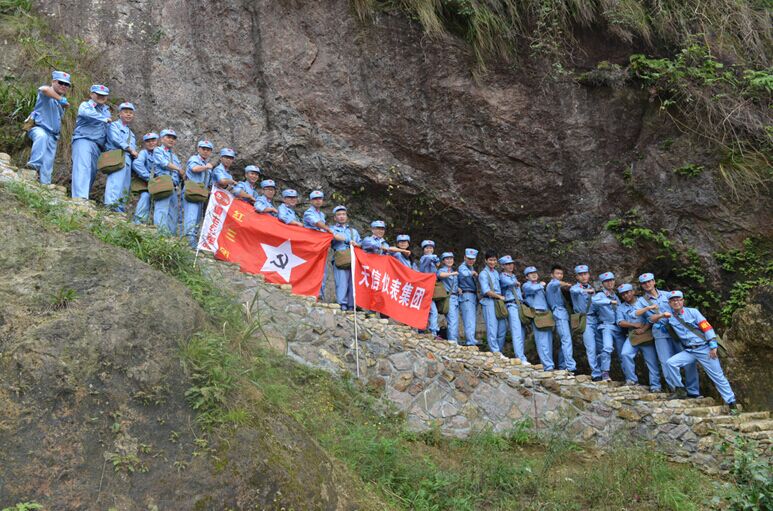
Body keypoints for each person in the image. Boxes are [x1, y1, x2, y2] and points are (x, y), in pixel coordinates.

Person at [650, 291, 737, 410]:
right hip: (689, 351)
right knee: (671, 363)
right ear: (669, 303)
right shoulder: (669, 316)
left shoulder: (693, 312)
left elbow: (706, 327)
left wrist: (713, 345)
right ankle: (680, 390)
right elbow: (651, 320)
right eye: (673, 300)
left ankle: (731, 403)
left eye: (678, 300)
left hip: (704, 349)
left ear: (682, 301)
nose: (676, 302)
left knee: (718, 376)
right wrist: (661, 315)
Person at [637, 273, 700, 397]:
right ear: (641, 285)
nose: (647, 284)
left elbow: (680, 308)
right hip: (660, 332)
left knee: (689, 360)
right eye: (644, 283)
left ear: (654, 281)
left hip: (677, 331)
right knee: (666, 362)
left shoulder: (667, 295)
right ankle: (676, 390)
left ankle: (693, 391)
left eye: (649, 281)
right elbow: (637, 314)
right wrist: (650, 311)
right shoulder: (641, 301)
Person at [26, 70, 70, 185]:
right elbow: (44, 89)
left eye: (66, 84)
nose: (63, 86)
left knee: (48, 164)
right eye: (60, 82)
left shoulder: (60, 102)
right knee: (41, 136)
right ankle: (33, 167)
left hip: (53, 136)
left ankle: (44, 185)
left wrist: (61, 101)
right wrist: (61, 99)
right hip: (39, 129)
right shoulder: (47, 95)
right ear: (53, 81)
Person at [616, 283, 662, 392]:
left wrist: (644, 328)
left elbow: (653, 317)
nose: (626, 295)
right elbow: (620, 322)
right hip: (633, 334)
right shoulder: (621, 307)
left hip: (647, 333)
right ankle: (631, 380)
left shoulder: (643, 301)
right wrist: (633, 325)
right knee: (625, 354)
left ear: (632, 291)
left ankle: (656, 386)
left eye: (627, 292)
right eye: (623, 294)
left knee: (651, 360)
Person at [71, 84, 111, 199]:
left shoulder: (106, 110)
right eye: (98, 94)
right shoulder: (86, 105)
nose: (101, 97)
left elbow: (107, 130)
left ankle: (83, 198)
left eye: (104, 95)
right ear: (91, 94)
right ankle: (79, 198)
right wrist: (104, 118)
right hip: (84, 140)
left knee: (92, 172)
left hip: (98, 146)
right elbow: (85, 113)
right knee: (83, 167)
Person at [570, 265, 603, 381]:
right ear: (577, 277)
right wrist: (585, 291)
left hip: (596, 319)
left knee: (601, 347)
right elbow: (573, 291)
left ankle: (603, 370)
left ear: (588, 275)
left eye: (585, 274)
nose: (583, 276)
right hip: (585, 319)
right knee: (590, 347)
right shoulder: (575, 288)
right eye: (581, 275)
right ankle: (596, 373)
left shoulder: (592, 288)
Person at [103, 102, 138, 212]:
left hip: (127, 159)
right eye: (126, 112)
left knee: (124, 185)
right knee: (115, 181)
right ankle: (110, 205)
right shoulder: (114, 125)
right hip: (117, 155)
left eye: (131, 113)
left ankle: (119, 208)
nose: (128, 114)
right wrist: (130, 149)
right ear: (120, 114)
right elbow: (115, 139)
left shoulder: (131, 133)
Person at [591, 272, 624, 381]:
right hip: (607, 326)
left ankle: (629, 378)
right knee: (607, 348)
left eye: (611, 280)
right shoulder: (600, 295)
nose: (610, 283)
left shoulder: (615, 295)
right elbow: (594, 300)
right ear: (602, 283)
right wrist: (609, 301)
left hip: (618, 327)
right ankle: (605, 372)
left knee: (623, 353)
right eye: (606, 281)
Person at [303, 190, 337, 299]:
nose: (318, 201)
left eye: (320, 199)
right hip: (311, 245)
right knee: (312, 268)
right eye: (315, 199)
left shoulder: (321, 214)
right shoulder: (308, 212)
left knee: (322, 269)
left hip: (321, 246)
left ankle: (319, 294)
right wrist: (328, 229)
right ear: (311, 201)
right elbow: (317, 223)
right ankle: (310, 293)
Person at [182, 140, 214, 247]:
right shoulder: (194, 159)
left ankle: (193, 241)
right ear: (198, 149)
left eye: (208, 150)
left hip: (201, 193)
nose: (205, 151)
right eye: (203, 149)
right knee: (191, 215)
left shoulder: (206, 164)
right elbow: (194, 168)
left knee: (197, 217)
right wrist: (206, 167)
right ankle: (189, 240)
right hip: (192, 191)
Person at [522, 266, 555, 370]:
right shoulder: (527, 285)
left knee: (548, 341)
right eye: (530, 273)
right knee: (542, 341)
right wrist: (541, 285)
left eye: (535, 273)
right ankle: (547, 366)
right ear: (526, 277)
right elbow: (532, 289)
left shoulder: (539, 286)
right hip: (537, 314)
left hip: (546, 314)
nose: (534, 274)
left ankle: (549, 365)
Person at [152, 129, 183, 235]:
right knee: (162, 208)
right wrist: (178, 169)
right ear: (161, 139)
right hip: (163, 182)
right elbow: (163, 163)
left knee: (173, 211)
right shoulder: (158, 150)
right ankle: (160, 233)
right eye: (168, 137)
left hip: (173, 185)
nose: (171, 140)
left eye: (173, 138)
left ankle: (170, 236)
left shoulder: (174, 156)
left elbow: (179, 172)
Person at [545, 265, 576, 373]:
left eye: (561, 274)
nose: (560, 275)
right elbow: (555, 283)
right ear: (552, 275)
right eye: (557, 273)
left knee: (565, 340)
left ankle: (563, 365)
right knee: (566, 339)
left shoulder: (557, 286)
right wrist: (566, 284)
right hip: (559, 313)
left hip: (564, 313)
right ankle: (570, 366)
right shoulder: (551, 285)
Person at [498, 256, 529, 363]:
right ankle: (520, 358)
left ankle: (521, 355)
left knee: (522, 332)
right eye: (507, 264)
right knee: (516, 332)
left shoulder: (513, 276)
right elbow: (509, 283)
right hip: (511, 304)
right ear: (503, 266)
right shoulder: (503, 276)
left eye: (511, 263)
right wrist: (515, 283)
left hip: (519, 304)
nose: (510, 266)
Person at [330, 205, 361, 311]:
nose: (342, 216)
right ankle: (342, 304)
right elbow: (332, 238)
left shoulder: (353, 231)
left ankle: (352, 305)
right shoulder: (332, 229)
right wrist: (348, 240)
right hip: (340, 257)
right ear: (335, 218)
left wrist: (357, 244)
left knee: (353, 283)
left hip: (353, 257)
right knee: (341, 282)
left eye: (343, 214)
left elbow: (360, 244)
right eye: (339, 215)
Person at [478, 251, 507, 358]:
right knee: (492, 328)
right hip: (489, 301)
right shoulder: (483, 274)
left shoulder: (496, 273)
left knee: (502, 329)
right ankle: (495, 352)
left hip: (499, 302)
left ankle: (499, 352)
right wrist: (499, 297)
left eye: (494, 260)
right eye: (490, 260)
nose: (492, 262)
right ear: (486, 260)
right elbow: (486, 291)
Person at [131, 132, 158, 224]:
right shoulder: (144, 153)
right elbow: (137, 164)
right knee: (145, 196)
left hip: (161, 184)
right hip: (148, 184)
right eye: (148, 141)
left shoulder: (161, 153)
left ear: (157, 141)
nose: (151, 143)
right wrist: (149, 177)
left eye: (153, 140)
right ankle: (139, 221)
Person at [437, 253, 460, 343]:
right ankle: (452, 341)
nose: (449, 260)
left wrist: (458, 288)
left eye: (451, 258)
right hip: (448, 298)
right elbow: (440, 275)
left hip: (455, 297)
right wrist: (452, 273)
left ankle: (454, 340)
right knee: (452, 320)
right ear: (443, 261)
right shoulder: (442, 270)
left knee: (455, 320)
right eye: (447, 259)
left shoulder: (452, 270)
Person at [458, 249, 479, 346]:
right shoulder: (463, 267)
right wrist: (473, 273)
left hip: (472, 295)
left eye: (473, 259)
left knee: (471, 318)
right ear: (464, 257)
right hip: (466, 295)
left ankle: (471, 339)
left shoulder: (470, 267)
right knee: (469, 319)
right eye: (469, 258)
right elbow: (464, 273)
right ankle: (470, 341)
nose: (471, 260)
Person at [419, 240, 441, 338]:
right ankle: (432, 331)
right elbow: (429, 258)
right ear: (423, 250)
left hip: (430, 288)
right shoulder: (424, 258)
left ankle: (424, 330)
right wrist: (436, 259)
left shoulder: (432, 261)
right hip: (424, 288)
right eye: (427, 248)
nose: (429, 250)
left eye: (431, 248)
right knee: (431, 310)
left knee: (429, 310)